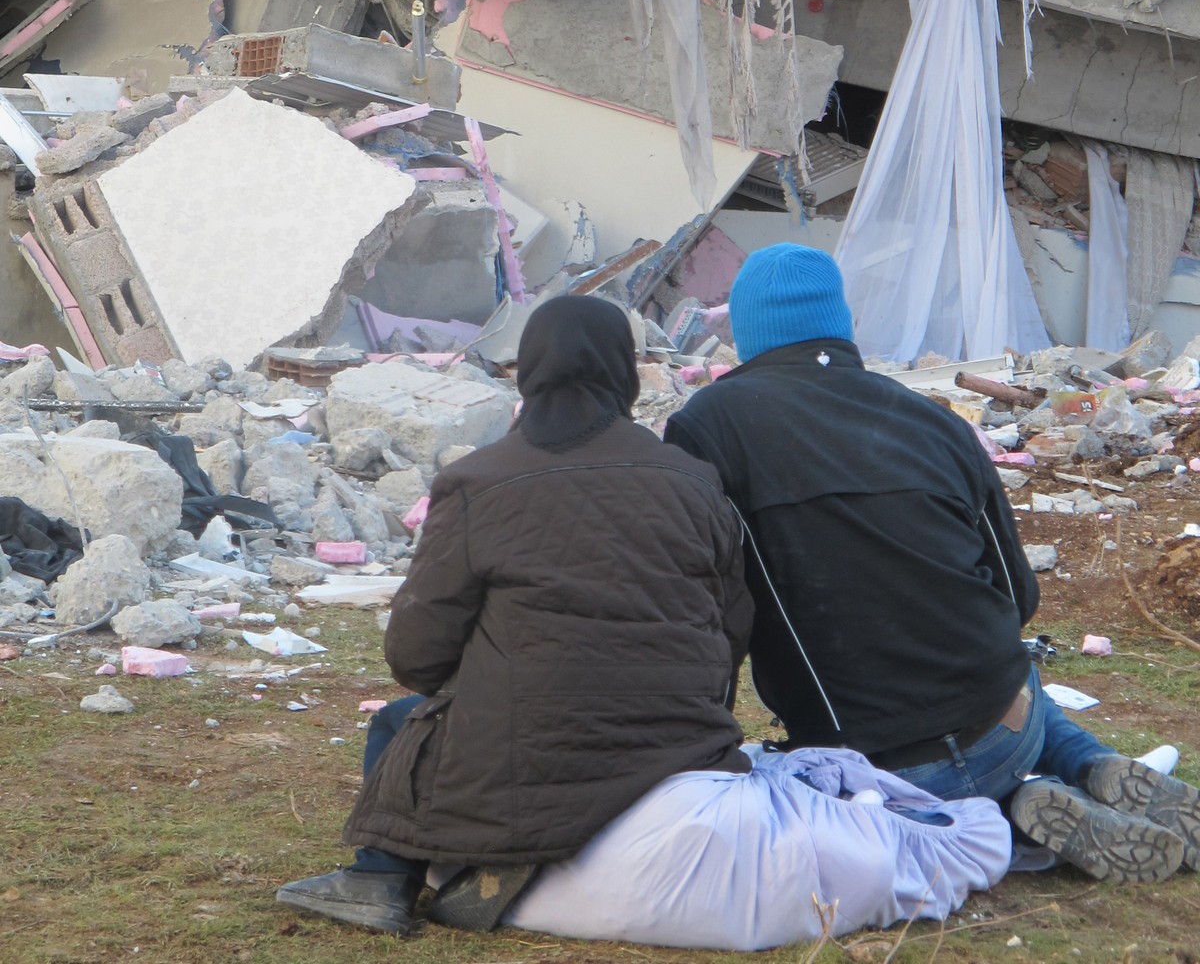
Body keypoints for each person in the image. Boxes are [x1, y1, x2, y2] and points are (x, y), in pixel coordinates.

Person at [664, 243, 1199, 884]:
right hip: (1009, 723)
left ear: (748, 331)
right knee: (989, 666)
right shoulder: (931, 419)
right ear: (840, 321)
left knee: (824, 785)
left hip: (878, 761)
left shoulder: (708, 426)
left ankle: (1009, 816)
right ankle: (1086, 763)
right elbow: (1017, 598)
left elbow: (715, 607)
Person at [277, 295, 754, 936]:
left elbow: (415, 656)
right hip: (684, 740)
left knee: (401, 726)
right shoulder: (694, 479)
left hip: (532, 747)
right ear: (627, 371)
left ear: (525, 371)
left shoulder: (480, 481)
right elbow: (733, 625)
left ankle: (381, 878)